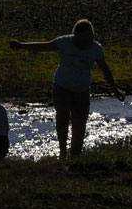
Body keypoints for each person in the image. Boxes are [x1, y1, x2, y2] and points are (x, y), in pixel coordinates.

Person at [10, 19, 124, 161]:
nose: (84, 42)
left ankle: (75, 155)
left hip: (82, 90)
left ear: (92, 36)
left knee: (80, 122)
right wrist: (21, 46)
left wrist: (115, 90)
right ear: (75, 35)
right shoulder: (65, 42)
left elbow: (105, 69)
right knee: (62, 118)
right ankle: (63, 153)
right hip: (62, 87)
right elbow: (44, 46)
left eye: (88, 38)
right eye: (81, 38)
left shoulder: (96, 49)